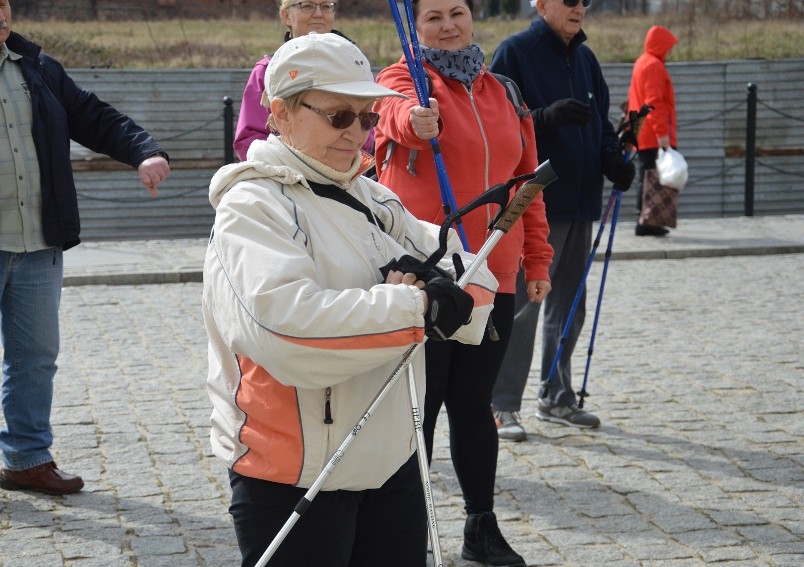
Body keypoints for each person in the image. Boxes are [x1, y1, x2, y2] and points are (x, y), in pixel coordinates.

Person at [203, 32, 497, 566]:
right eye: (340, 116)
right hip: (295, 473)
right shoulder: (252, 207)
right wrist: (420, 307)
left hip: (392, 461)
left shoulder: (377, 197)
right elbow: (289, 330)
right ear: (282, 112)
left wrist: (439, 295)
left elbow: (476, 277)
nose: (357, 134)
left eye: (366, 118)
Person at [0, 0, 170, 513]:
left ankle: (27, 459)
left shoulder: (38, 67)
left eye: (2, 2)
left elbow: (92, 116)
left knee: (35, 359)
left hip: (38, 246)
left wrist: (145, 150)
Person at [374, 1, 552, 565]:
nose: (448, 25)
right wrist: (412, 120)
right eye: (433, 17)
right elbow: (391, 114)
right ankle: (413, 531)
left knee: (472, 405)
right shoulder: (403, 76)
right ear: (415, 25)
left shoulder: (505, 92)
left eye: (457, 12)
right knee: (419, 409)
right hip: (430, 273)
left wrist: (537, 260)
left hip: (492, 274)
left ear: (472, 18)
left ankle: (481, 526)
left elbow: (527, 186)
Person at [489, 0, 635, 435]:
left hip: (582, 200)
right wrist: (543, 119)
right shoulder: (516, 52)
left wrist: (614, 159)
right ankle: (501, 403)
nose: (579, 8)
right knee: (522, 308)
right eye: (569, 0)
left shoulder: (586, 58)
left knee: (570, 307)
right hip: (535, 203)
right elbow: (498, 123)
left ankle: (556, 395)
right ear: (542, 4)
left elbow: (602, 125)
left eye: (584, 1)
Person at [233, 0, 374, 161]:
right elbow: (250, 138)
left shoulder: (356, 66)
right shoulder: (267, 71)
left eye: (326, 6)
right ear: (286, 16)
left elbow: (370, 134)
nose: (319, 14)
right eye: (307, 6)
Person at [628, 25, 679, 237]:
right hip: (652, 134)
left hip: (642, 131)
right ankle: (646, 221)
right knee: (652, 177)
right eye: (668, 47)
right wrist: (663, 136)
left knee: (648, 176)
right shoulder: (654, 66)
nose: (669, 51)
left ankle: (647, 219)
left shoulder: (642, 61)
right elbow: (655, 102)